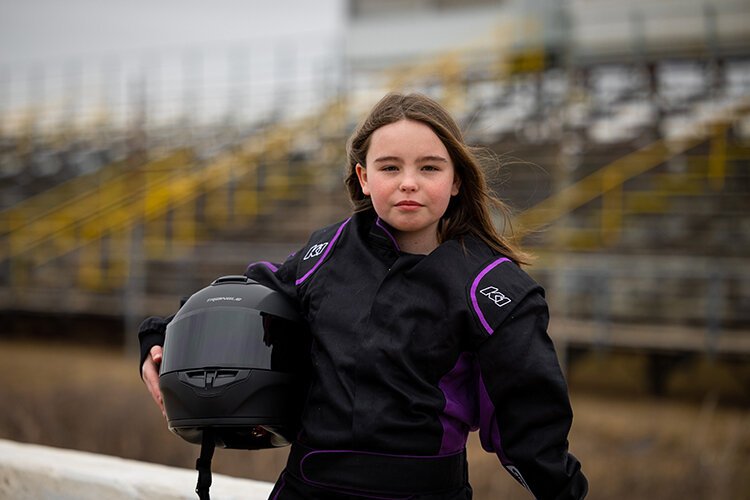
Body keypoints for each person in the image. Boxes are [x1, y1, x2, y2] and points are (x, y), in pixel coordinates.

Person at [139, 92, 588, 499]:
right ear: (364, 177)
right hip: (306, 489)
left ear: (455, 181)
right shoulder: (326, 252)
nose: (408, 182)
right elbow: (242, 299)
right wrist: (160, 338)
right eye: (390, 167)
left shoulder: (493, 289)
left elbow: (529, 424)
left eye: (429, 167)